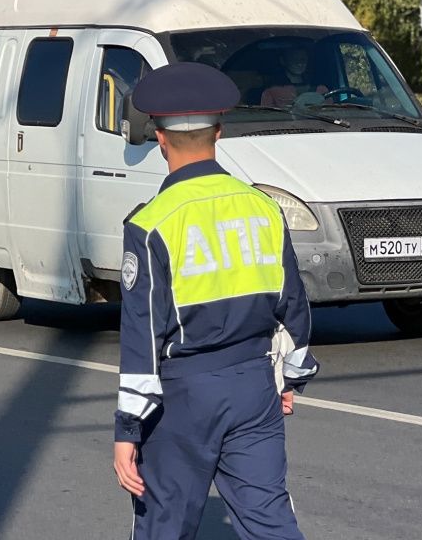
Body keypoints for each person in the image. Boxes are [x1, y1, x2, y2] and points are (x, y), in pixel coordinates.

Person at [113, 62, 319, 540]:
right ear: (218, 133)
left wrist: (128, 431)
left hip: (183, 398)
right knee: (269, 521)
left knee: (164, 523)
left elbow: (142, 336)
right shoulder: (263, 207)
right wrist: (291, 376)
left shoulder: (150, 225)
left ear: (159, 139)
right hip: (254, 389)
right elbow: (294, 305)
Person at [260, 46, 327, 109]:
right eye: (294, 58)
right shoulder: (272, 90)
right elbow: (267, 116)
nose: (299, 63)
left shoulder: (321, 89)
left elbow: (330, 113)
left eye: (303, 59)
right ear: (283, 61)